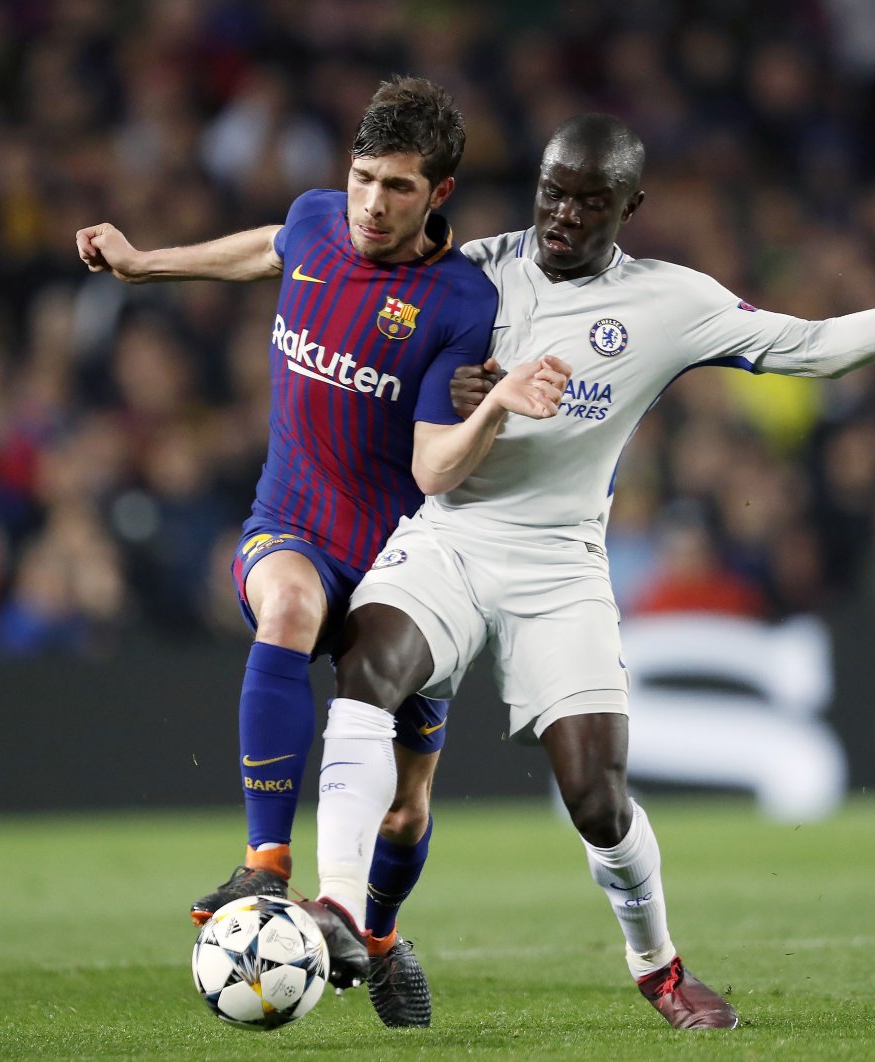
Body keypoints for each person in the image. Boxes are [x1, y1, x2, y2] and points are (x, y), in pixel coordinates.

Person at [307, 113, 875, 1028]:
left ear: (630, 207)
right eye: (554, 192)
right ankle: (338, 910)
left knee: (596, 798)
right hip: (451, 535)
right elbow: (328, 283)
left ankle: (659, 967)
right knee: (369, 667)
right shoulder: (471, 270)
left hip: (559, 566)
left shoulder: (672, 302)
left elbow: (817, 347)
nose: (563, 215)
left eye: (590, 203)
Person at [74, 78, 567, 999]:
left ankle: (377, 941)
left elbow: (433, 471)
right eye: (362, 177)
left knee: (405, 805)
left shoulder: (458, 302)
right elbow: (263, 249)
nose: (372, 204)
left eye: (399, 188)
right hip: (292, 526)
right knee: (289, 604)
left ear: (440, 196)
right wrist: (147, 265)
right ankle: (266, 860)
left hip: (404, 566)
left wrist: (493, 401)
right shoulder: (313, 220)